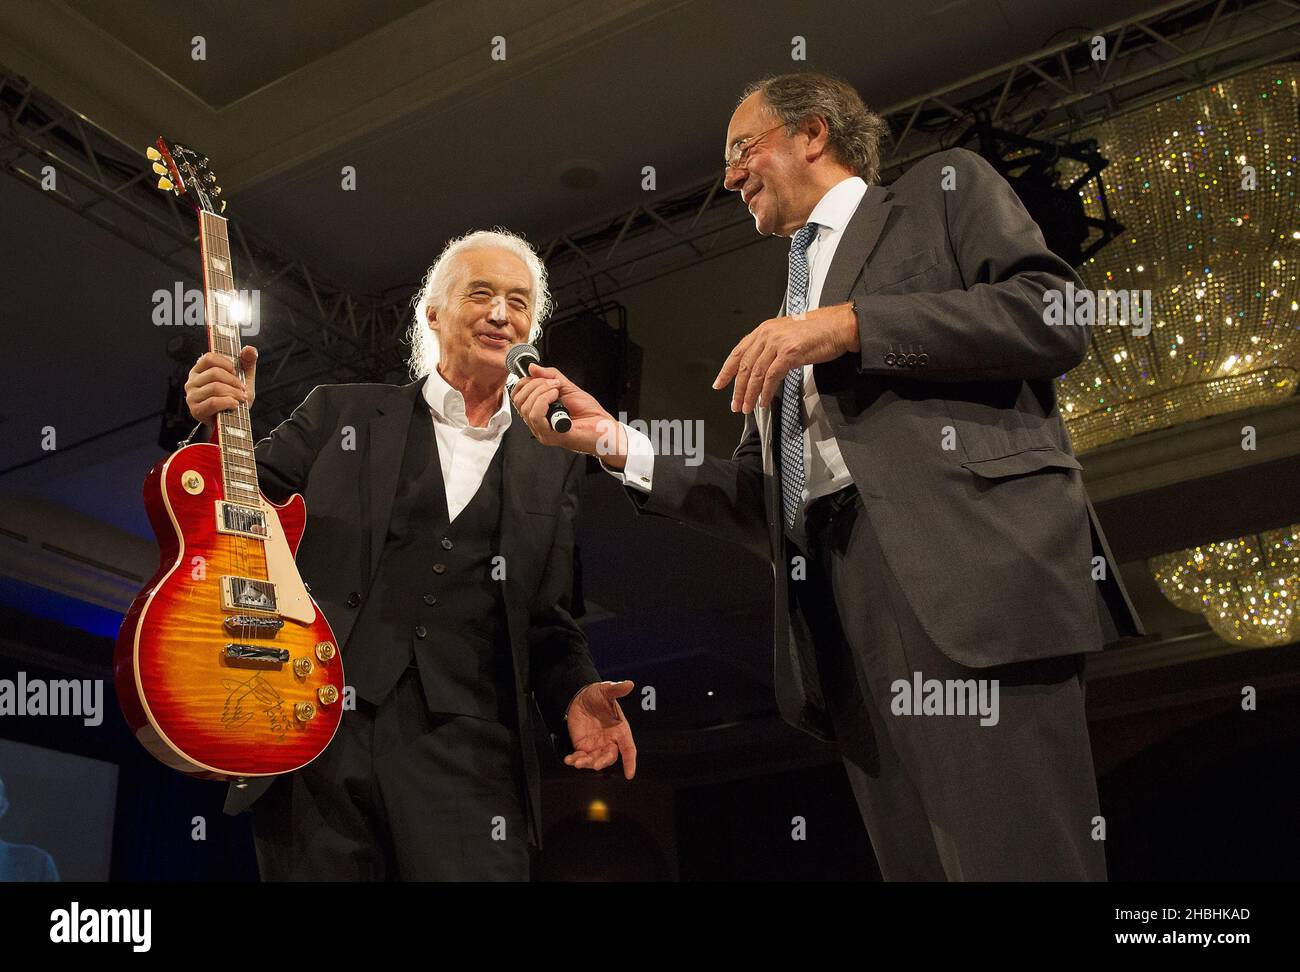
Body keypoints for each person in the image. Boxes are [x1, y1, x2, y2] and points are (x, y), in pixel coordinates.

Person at [512, 74, 1142, 881]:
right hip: (837, 614)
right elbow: (759, 501)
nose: (731, 176)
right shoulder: (791, 302)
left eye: (743, 149)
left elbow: (1055, 314)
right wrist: (612, 440)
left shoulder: (940, 192)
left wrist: (850, 326)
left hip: (963, 581)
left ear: (812, 134)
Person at [182, 229, 637, 880]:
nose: (500, 312)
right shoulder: (340, 413)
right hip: (317, 735)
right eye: (479, 294)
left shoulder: (553, 464)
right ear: (432, 313)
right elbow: (229, 524)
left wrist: (575, 691)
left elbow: (548, 617)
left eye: (518, 300)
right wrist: (215, 421)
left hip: (470, 756)